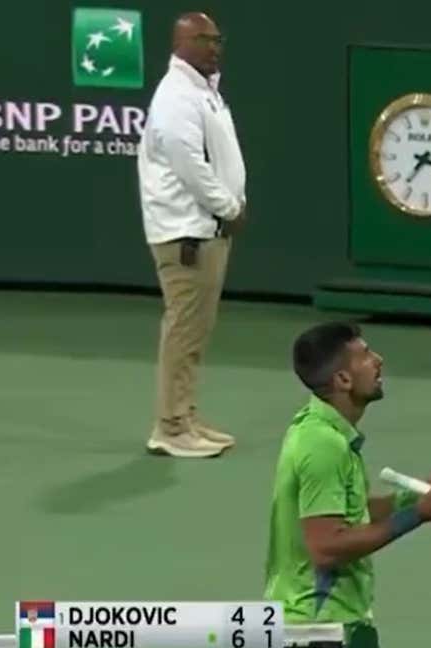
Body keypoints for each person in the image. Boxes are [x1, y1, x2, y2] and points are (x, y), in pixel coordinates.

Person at [264, 321, 431, 647]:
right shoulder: (323, 445)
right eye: (366, 356)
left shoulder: (319, 429)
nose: (379, 360)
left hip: (328, 623)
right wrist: (418, 516)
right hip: (319, 629)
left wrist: (423, 496)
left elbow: (351, 512)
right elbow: (325, 548)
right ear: (343, 379)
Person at [138, 12, 247, 458]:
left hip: (204, 231)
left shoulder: (203, 91)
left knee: (195, 331)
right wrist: (228, 207)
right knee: (184, 330)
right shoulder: (177, 98)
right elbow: (189, 164)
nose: (214, 47)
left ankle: (185, 415)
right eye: (205, 39)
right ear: (181, 43)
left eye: (218, 38)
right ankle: (169, 427)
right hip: (187, 233)